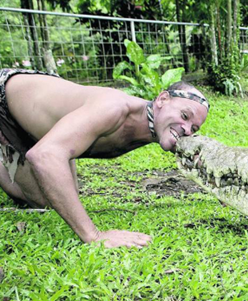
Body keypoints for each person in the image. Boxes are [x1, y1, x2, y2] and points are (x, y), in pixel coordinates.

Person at [0, 69, 209, 248]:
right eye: (184, 116)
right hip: (6, 100)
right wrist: (95, 236)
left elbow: (196, 158)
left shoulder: (159, 127)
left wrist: (216, 185)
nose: (186, 129)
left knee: (48, 199)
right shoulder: (114, 108)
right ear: (162, 99)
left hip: (35, 127)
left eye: (193, 128)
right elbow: (44, 155)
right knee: (50, 167)